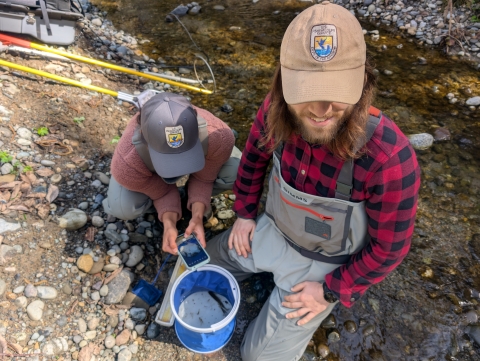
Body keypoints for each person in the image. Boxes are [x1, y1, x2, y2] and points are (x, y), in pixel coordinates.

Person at [206, 2, 421, 360]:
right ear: (283, 79)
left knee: (256, 357)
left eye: (337, 89)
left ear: (363, 81)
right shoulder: (274, 108)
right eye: (307, 89)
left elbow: (389, 250)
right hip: (272, 230)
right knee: (200, 266)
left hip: (326, 265)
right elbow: (255, 159)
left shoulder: (389, 158)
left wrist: (332, 290)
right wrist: (244, 214)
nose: (322, 111)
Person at [103, 92, 241, 254]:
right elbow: (161, 192)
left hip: (212, 145)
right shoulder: (127, 163)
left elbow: (204, 179)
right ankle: (179, 198)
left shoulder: (220, 136)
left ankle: (187, 196)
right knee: (122, 206)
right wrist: (169, 223)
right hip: (143, 170)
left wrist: (197, 214)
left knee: (238, 170)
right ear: (143, 140)